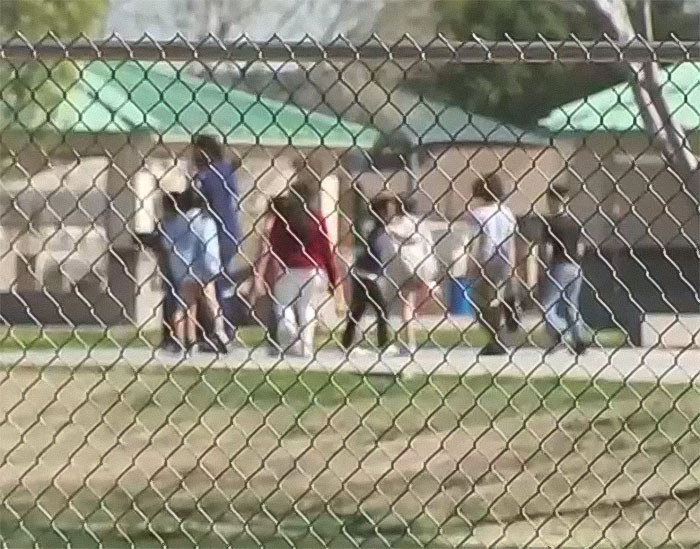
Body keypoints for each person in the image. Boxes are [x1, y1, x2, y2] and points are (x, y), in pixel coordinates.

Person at [251, 183, 343, 357]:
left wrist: (282, 262)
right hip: (315, 270)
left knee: (283, 305)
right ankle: (306, 347)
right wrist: (333, 278)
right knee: (307, 307)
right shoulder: (317, 219)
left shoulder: (283, 220)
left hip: (290, 269)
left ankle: (289, 333)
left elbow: (275, 244)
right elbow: (326, 251)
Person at [159, 188, 227, 354]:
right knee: (211, 300)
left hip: (181, 267)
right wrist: (213, 268)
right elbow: (209, 246)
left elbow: (167, 244)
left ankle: (185, 340)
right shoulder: (205, 221)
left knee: (185, 305)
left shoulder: (177, 221)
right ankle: (220, 332)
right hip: (202, 266)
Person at [191, 135, 241, 345]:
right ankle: (223, 329)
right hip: (230, 230)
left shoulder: (209, 175)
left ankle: (221, 330)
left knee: (214, 281)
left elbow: (208, 202)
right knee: (222, 281)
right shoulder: (226, 170)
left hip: (216, 232)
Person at [465, 171, 517, 356]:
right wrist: (512, 264)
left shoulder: (478, 214)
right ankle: (499, 335)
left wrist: (473, 265)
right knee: (494, 300)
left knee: (480, 304)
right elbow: (511, 240)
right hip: (503, 261)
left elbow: (477, 242)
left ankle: (496, 338)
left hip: (485, 261)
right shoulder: (507, 212)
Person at [341, 193, 398, 355]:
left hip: (364, 274)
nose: (390, 214)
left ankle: (347, 343)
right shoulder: (377, 229)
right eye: (387, 210)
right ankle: (383, 343)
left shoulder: (377, 229)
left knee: (358, 310)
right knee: (382, 310)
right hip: (367, 275)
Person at [383, 192, 439, 354]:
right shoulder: (421, 224)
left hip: (405, 268)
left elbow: (390, 242)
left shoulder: (395, 225)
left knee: (406, 305)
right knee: (410, 302)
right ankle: (409, 340)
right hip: (423, 267)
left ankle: (409, 341)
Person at [540, 184, 587, 354]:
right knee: (572, 305)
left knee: (547, 306)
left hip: (559, 266)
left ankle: (560, 332)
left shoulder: (551, 223)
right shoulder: (575, 223)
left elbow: (547, 250)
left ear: (552, 200)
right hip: (575, 267)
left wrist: (544, 267)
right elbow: (581, 248)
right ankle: (578, 340)